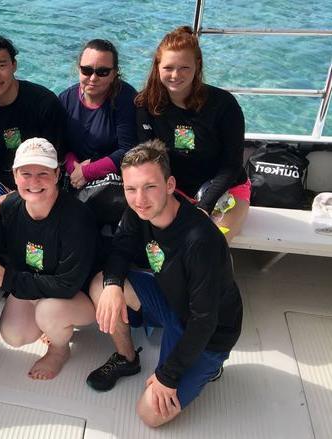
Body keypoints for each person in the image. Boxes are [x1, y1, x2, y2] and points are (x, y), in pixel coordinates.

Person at [86, 140, 242, 427]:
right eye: (131, 189)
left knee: (151, 414)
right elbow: (120, 249)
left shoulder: (200, 240)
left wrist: (167, 377)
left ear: (170, 185)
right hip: (170, 299)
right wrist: (112, 284)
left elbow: (205, 320)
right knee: (100, 284)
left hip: (208, 330)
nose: (139, 199)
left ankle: (211, 366)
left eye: (150, 187)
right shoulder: (137, 212)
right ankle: (126, 358)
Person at [0, 138, 97, 380]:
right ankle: (52, 325)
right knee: (13, 334)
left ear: (57, 173)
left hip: (78, 298)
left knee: (49, 311)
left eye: (43, 173)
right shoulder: (10, 206)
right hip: (35, 286)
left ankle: (60, 349)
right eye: (26, 173)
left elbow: (67, 284)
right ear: (15, 175)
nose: (34, 182)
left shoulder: (76, 218)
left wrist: (7, 278)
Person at [135, 26, 249, 241]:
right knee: (166, 244)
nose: (176, 75)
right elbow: (148, 160)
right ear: (157, 67)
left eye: (184, 68)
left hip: (225, 190)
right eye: (168, 67)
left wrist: (205, 206)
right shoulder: (146, 105)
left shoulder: (223, 104)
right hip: (174, 190)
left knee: (212, 245)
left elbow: (232, 165)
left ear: (198, 66)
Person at [0, 35, 69, 227]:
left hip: (38, 181)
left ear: (14, 65)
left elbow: (56, 159)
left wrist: (18, 195)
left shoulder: (44, 103)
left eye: (1, 65)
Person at [58, 39, 137, 191]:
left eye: (102, 72)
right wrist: (73, 168)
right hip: (74, 175)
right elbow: (60, 144)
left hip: (112, 182)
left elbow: (129, 150)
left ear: (114, 73)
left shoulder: (126, 98)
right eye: (86, 70)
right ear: (78, 69)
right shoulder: (65, 99)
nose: (93, 78)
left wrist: (88, 172)